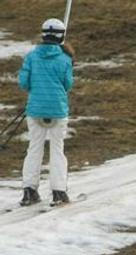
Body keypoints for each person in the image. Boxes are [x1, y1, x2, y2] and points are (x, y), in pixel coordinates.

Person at [17, 18, 74, 208]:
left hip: (35, 110)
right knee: (57, 150)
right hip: (58, 110)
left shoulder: (31, 57)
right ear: (61, 37)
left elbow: (24, 83)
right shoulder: (65, 59)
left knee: (34, 148)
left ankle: (29, 191)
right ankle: (58, 192)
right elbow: (68, 85)